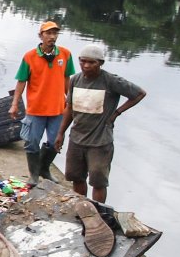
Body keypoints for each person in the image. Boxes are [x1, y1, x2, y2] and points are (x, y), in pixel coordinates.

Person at [55, 44, 146, 204]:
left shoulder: (110, 81)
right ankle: (81, 209)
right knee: (76, 177)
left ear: (100, 63)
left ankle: (99, 212)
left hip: (100, 142)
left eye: (92, 63)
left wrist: (117, 112)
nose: (87, 66)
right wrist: (61, 133)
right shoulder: (75, 80)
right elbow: (69, 108)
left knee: (98, 181)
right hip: (77, 139)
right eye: (83, 61)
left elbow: (139, 93)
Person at [9, 20, 74, 184]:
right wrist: (15, 103)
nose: (52, 37)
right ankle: (34, 175)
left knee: (54, 143)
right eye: (48, 33)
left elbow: (67, 79)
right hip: (36, 109)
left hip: (58, 109)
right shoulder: (30, 56)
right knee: (31, 143)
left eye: (55, 33)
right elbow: (21, 81)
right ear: (41, 35)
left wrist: (70, 101)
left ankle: (45, 169)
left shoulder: (65, 54)